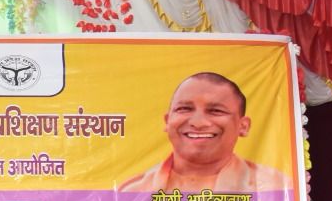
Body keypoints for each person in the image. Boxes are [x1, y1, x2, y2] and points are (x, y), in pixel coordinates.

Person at [117, 72, 290, 194]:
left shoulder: (274, 188)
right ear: (167, 121)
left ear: (243, 126)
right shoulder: (132, 193)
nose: (198, 123)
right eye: (184, 109)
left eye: (216, 111)